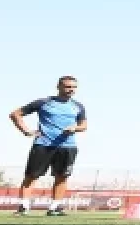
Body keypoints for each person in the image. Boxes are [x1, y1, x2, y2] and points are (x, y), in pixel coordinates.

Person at [9, 76, 88, 216]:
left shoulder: (78, 106)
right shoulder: (44, 102)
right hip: (43, 145)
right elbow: (15, 114)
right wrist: (26, 131)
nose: (71, 90)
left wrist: (75, 128)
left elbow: (84, 126)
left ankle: (54, 208)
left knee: (62, 177)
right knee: (31, 176)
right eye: (68, 86)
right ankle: (23, 207)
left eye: (74, 87)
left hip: (67, 146)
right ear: (58, 87)